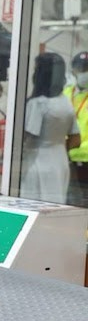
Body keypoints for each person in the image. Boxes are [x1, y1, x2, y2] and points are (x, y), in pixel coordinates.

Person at [20, 53, 80, 204]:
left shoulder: (38, 104)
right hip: (60, 160)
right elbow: (76, 139)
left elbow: (27, 136)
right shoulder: (65, 102)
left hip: (37, 162)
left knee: (33, 203)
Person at [65, 51, 88, 206]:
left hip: (85, 160)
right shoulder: (64, 94)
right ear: (73, 70)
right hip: (66, 159)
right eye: (81, 69)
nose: (84, 73)